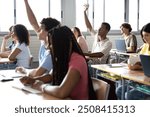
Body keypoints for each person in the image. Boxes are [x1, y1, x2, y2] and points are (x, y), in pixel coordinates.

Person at [20, 26, 96, 100]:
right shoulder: (63, 58)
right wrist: (33, 80)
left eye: (51, 44)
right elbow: (50, 76)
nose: (49, 47)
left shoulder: (77, 60)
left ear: (61, 44)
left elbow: (62, 92)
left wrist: (42, 86)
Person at [15, 0, 60, 77]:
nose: (38, 30)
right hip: (41, 79)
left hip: (46, 83)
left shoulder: (51, 52)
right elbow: (33, 22)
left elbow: (37, 74)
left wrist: (24, 70)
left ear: (48, 32)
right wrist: (26, 2)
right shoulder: (44, 43)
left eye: (41, 28)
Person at [116, 23, 150, 100]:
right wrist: (134, 64)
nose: (144, 38)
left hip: (147, 82)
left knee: (130, 95)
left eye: (147, 35)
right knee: (120, 90)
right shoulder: (145, 46)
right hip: (143, 78)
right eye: (143, 35)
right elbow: (138, 59)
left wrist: (140, 66)